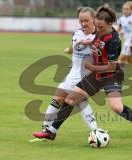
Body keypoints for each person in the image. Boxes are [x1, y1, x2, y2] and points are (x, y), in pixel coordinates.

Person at [34, 5, 132, 143]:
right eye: (96, 26)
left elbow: (111, 66)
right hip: (96, 74)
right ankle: (51, 132)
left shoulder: (114, 40)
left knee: (116, 107)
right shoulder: (98, 30)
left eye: (101, 27)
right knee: (70, 99)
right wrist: (83, 42)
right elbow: (93, 39)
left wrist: (91, 66)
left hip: (111, 75)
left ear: (109, 24)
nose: (98, 29)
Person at [33, 7, 99, 140]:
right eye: (81, 21)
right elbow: (73, 47)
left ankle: (96, 132)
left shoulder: (98, 37)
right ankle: (47, 130)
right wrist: (68, 50)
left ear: (94, 20)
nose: (83, 23)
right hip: (72, 74)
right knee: (58, 99)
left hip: (87, 75)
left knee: (80, 102)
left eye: (86, 20)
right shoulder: (76, 33)